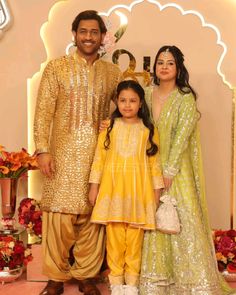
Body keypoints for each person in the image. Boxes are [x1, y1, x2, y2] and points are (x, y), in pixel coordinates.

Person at [34, 10, 122, 295]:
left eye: (94, 32)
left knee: (91, 217)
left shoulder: (112, 73)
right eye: (83, 31)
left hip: (97, 158)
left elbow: (127, 105)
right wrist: (43, 150)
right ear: (74, 34)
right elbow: (43, 112)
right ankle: (56, 278)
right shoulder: (56, 68)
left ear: (102, 37)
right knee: (58, 216)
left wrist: (115, 123)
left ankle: (87, 275)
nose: (88, 37)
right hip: (61, 154)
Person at [139, 45, 236, 295]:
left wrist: (169, 170)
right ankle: (158, 282)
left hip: (177, 171)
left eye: (170, 63)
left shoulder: (185, 97)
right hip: (148, 168)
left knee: (183, 219)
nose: (164, 66)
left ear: (179, 68)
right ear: (154, 67)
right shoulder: (147, 94)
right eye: (160, 62)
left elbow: (182, 136)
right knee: (154, 222)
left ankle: (193, 282)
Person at [88, 80, 164, 295]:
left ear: (140, 104)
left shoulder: (148, 129)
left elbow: (154, 164)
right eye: (123, 100)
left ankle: (131, 286)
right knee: (113, 240)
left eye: (132, 101)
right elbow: (99, 159)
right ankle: (116, 284)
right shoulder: (109, 127)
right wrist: (94, 187)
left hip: (139, 192)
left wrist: (157, 193)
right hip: (112, 191)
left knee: (134, 241)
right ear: (117, 102)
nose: (127, 105)